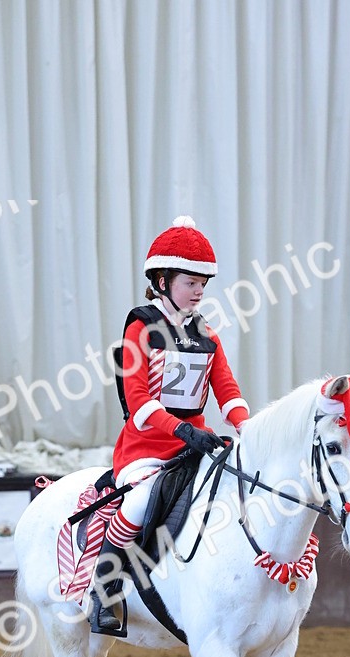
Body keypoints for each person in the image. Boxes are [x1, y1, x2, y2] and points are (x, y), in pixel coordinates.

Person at [89, 216, 250, 635]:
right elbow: (138, 400)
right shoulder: (141, 325)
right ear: (162, 281)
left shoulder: (207, 333)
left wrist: (248, 429)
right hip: (146, 445)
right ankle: (103, 590)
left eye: (202, 284)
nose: (199, 292)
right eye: (190, 283)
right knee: (138, 503)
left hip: (194, 446)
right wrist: (182, 430)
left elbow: (227, 390)